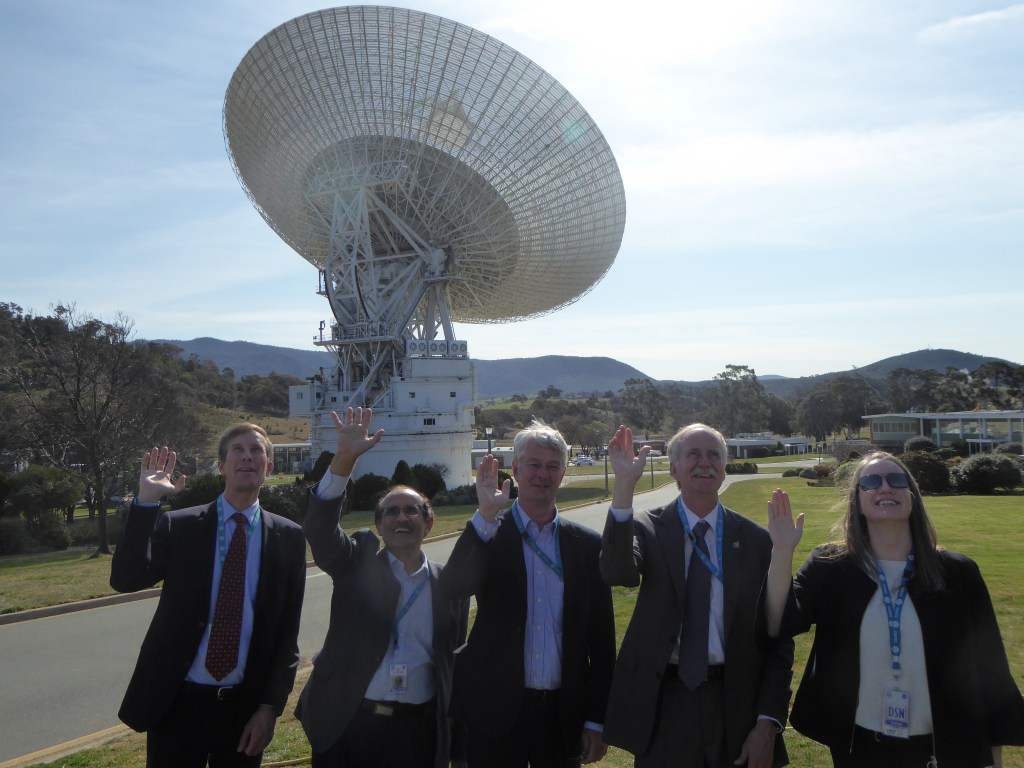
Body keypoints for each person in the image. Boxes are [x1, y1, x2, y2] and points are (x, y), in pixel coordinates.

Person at [765, 451, 1024, 767]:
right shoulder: (830, 566)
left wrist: (993, 760)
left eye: (897, 480)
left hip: (943, 748)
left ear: (912, 496)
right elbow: (779, 622)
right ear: (857, 501)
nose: (885, 487)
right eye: (871, 482)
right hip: (860, 748)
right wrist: (782, 551)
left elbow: (991, 670)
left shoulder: (958, 573)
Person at [110, 424, 307, 767]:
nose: (247, 456)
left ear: (269, 468)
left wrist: (269, 709)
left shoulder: (288, 538)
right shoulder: (181, 526)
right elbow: (126, 578)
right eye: (237, 450)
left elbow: (287, 636)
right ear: (221, 466)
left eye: (257, 451)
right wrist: (146, 502)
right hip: (176, 704)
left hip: (243, 710)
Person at [600, 423, 793, 768]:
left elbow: (778, 636)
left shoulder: (756, 540)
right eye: (693, 454)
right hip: (666, 704)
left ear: (724, 468)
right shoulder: (648, 528)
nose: (705, 462)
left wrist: (767, 723)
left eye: (713, 455)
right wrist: (624, 485)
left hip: (736, 704)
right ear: (674, 468)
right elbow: (617, 572)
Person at [294, 407, 470, 768]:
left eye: (412, 510)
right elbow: (320, 531)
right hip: (348, 728)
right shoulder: (355, 565)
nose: (401, 517)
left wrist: (456, 744)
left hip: (417, 735)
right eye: (391, 511)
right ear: (378, 526)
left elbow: (451, 668)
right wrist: (344, 460)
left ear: (429, 522)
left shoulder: (448, 585)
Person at [439, 419, 616, 768]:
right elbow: (452, 587)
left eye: (553, 466)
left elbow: (602, 642)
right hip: (495, 712)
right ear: (516, 470)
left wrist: (597, 719)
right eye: (533, 464)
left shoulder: (586, 545)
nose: (542, 474)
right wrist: (484, 516)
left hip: (562, 715)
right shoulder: (489, 533)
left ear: (563, 474)